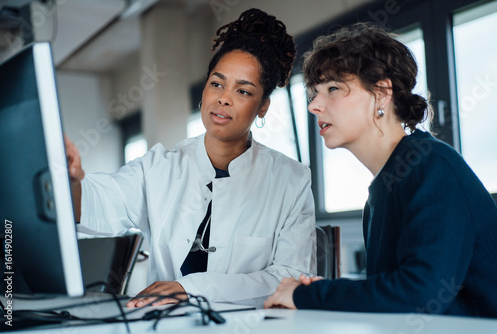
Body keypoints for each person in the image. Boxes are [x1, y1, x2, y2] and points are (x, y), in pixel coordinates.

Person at [66, 8, 316, 309]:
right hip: (164, 323)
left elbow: (290, 277)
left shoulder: (292, 180)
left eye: (244, 91)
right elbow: (97, 203)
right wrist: (71, 180)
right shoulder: (160, 167)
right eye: (217, 83)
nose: (223, 98)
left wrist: (191, 288)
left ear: (263, 106)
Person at [264, 22, 497, 318]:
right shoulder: (379, 193)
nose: (314, 106)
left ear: (382, 93)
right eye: (314, 92)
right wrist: (323, 292)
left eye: (333, 88)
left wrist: (308, 293)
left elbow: (419, 293)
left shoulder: (431, 165)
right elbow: (392, 294)